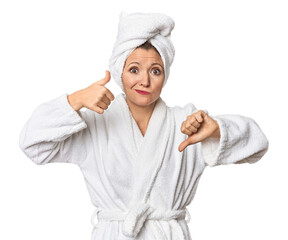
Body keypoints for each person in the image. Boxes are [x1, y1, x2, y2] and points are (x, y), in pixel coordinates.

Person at [19, 12, 269, 240]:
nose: (145, 81)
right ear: (120, 73)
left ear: (165, 76)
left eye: (156, 71)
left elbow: (257, 145)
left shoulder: (186, 123)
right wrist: (75, 100)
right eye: (134, 69)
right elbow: (32, 145)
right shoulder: (95, 124)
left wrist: (216, 130)